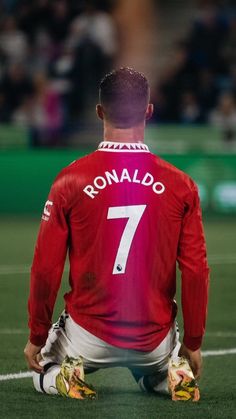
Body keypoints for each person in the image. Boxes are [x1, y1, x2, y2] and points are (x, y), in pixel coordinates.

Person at [24, 67, 209, 401]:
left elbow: (45, 267)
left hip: (87, 335)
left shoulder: (70, 179)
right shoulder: (182, 184)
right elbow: (196, 270)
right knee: (156, 365)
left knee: (40, 369)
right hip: (153, 340)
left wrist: (37, 334)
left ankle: (61, 377)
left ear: (99, 111)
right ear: (149, 111)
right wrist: (193, 343)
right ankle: (169, 375)